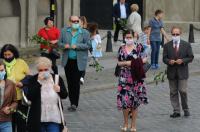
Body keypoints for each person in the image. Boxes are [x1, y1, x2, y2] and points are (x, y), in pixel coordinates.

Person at [117, 30, 148, 132]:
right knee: (124, 101)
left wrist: (131, 63)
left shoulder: (139, 47)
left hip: (136, 77)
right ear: (124, 37)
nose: (129, 39)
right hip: (124, 77)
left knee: (134, 102)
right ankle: (125, 124)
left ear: (135, 37)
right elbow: (118, 62)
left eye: (131, 37)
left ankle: (133, 125)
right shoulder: (121, 48)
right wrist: (125, 62)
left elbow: (145, 59)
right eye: (127, 37)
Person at [26, 57, 68, 132]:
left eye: (46, 70)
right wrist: (38, 82)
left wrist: (59, 90)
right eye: (40, 70)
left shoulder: (56, 78)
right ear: (37, 70)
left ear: (50, 68)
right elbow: (30, 96)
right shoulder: (33, 80)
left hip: (54, 117)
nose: (43, 72)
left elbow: (64, 95)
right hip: (38, 119)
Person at [59, 16, 91, 112]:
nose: (75, 22)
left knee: (76, 82)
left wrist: (76, 46)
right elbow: (59, 43)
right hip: (68, 61)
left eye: (77, 21)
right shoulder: (64, 31)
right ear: (69, 22)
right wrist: (65, 45)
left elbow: (88, 45)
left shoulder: (84, 32)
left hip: (79, 61)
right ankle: (71, 101)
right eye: (73, 21)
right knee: (69, 82)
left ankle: (74, 103)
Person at [163, 26, 194, 118]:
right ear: (171, 34)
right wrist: (169, 61)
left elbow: (191, 57)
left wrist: (183, 61)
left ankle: (186, 109)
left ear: (180, 34)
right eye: (173, 34)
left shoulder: (186, 45)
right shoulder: (167, 45)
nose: (175, 36)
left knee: (182, 90)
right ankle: (176, 110)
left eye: (177, 34)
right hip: (171, 72)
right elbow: (164, 58)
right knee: (173, 92)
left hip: (182, 71)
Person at [0, 44, 30, 132]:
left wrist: (22, 82)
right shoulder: (1, 64)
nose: (7, 57)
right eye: (5, 55)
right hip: (6, 101)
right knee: (9, 123)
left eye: (9, 54)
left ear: (14, 53)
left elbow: (29, 77)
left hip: (20, 98)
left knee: (21, 122)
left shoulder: (21, 62)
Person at [0, 59, 17, 132]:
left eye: (2, 70)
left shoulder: (10, 84)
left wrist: (10, 109)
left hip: (6, 121)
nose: (0, 73)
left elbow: (15, 101)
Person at [79, 16, 88, 84]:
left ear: (82, 22)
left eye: (78, 21)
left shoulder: (85, 31)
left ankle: (81, 78)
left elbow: (88, 43)